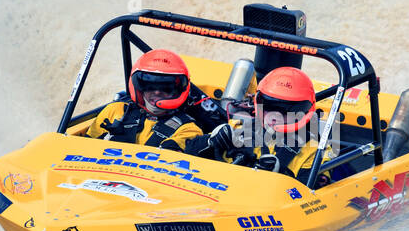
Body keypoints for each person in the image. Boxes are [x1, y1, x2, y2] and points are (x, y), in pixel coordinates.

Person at [196, 66, 333, 183]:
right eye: (268, 107)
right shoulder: (238, 127)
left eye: (284, 111)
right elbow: (185, 157)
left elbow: (311, 196)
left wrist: (279, 177)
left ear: (302, 111)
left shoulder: (317, 150)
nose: (274, 117)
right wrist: (208, 142)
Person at [85, 49, 205, 152]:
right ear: (139, 88)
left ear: (177, 91)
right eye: (150, 86)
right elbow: (82, 149)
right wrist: (105, 140)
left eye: (166, 88)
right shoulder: (116, 110)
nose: (157, 92)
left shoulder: (188, 129)